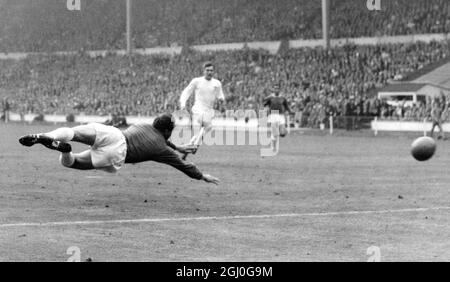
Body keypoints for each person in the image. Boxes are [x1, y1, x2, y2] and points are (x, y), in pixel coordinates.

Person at [18, 113, 220, 185]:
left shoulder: (143, 125)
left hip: (114, 134)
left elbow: (163, 140)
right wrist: (201, 176)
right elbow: (182, 164)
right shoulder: (161, 148)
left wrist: (177, 145)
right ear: (167, 131)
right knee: (75, 162)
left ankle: (48, 137)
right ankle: (64, 150)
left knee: (73, 132)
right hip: (117, 154)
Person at [179, 61, 225, 160]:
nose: (209, 72)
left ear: (213, 71)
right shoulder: (197, 81)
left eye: (211, 70)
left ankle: (187, 152)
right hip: (198, 110)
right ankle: (195, 145)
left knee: (202, 131)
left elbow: (220, 95)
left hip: (209, 111)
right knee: (207, 126)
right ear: (203, 71)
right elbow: (186, 92)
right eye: (207, 70)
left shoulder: (216, 83)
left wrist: (221, 99)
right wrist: (183, 104)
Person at [262, 84, 293, 152]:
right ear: (273, 89)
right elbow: (264, 103)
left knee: (282, 133)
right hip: (273, 116)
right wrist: (265, 108)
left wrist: (290, 112)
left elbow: (286, 106)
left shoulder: (283, 98)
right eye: (275, 88)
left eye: (277, 88)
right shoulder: (270, 98)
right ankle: (272, 147)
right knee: (274, 133)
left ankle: (281, 131)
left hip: (281, 115)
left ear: (279, 89)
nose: (276, 90)